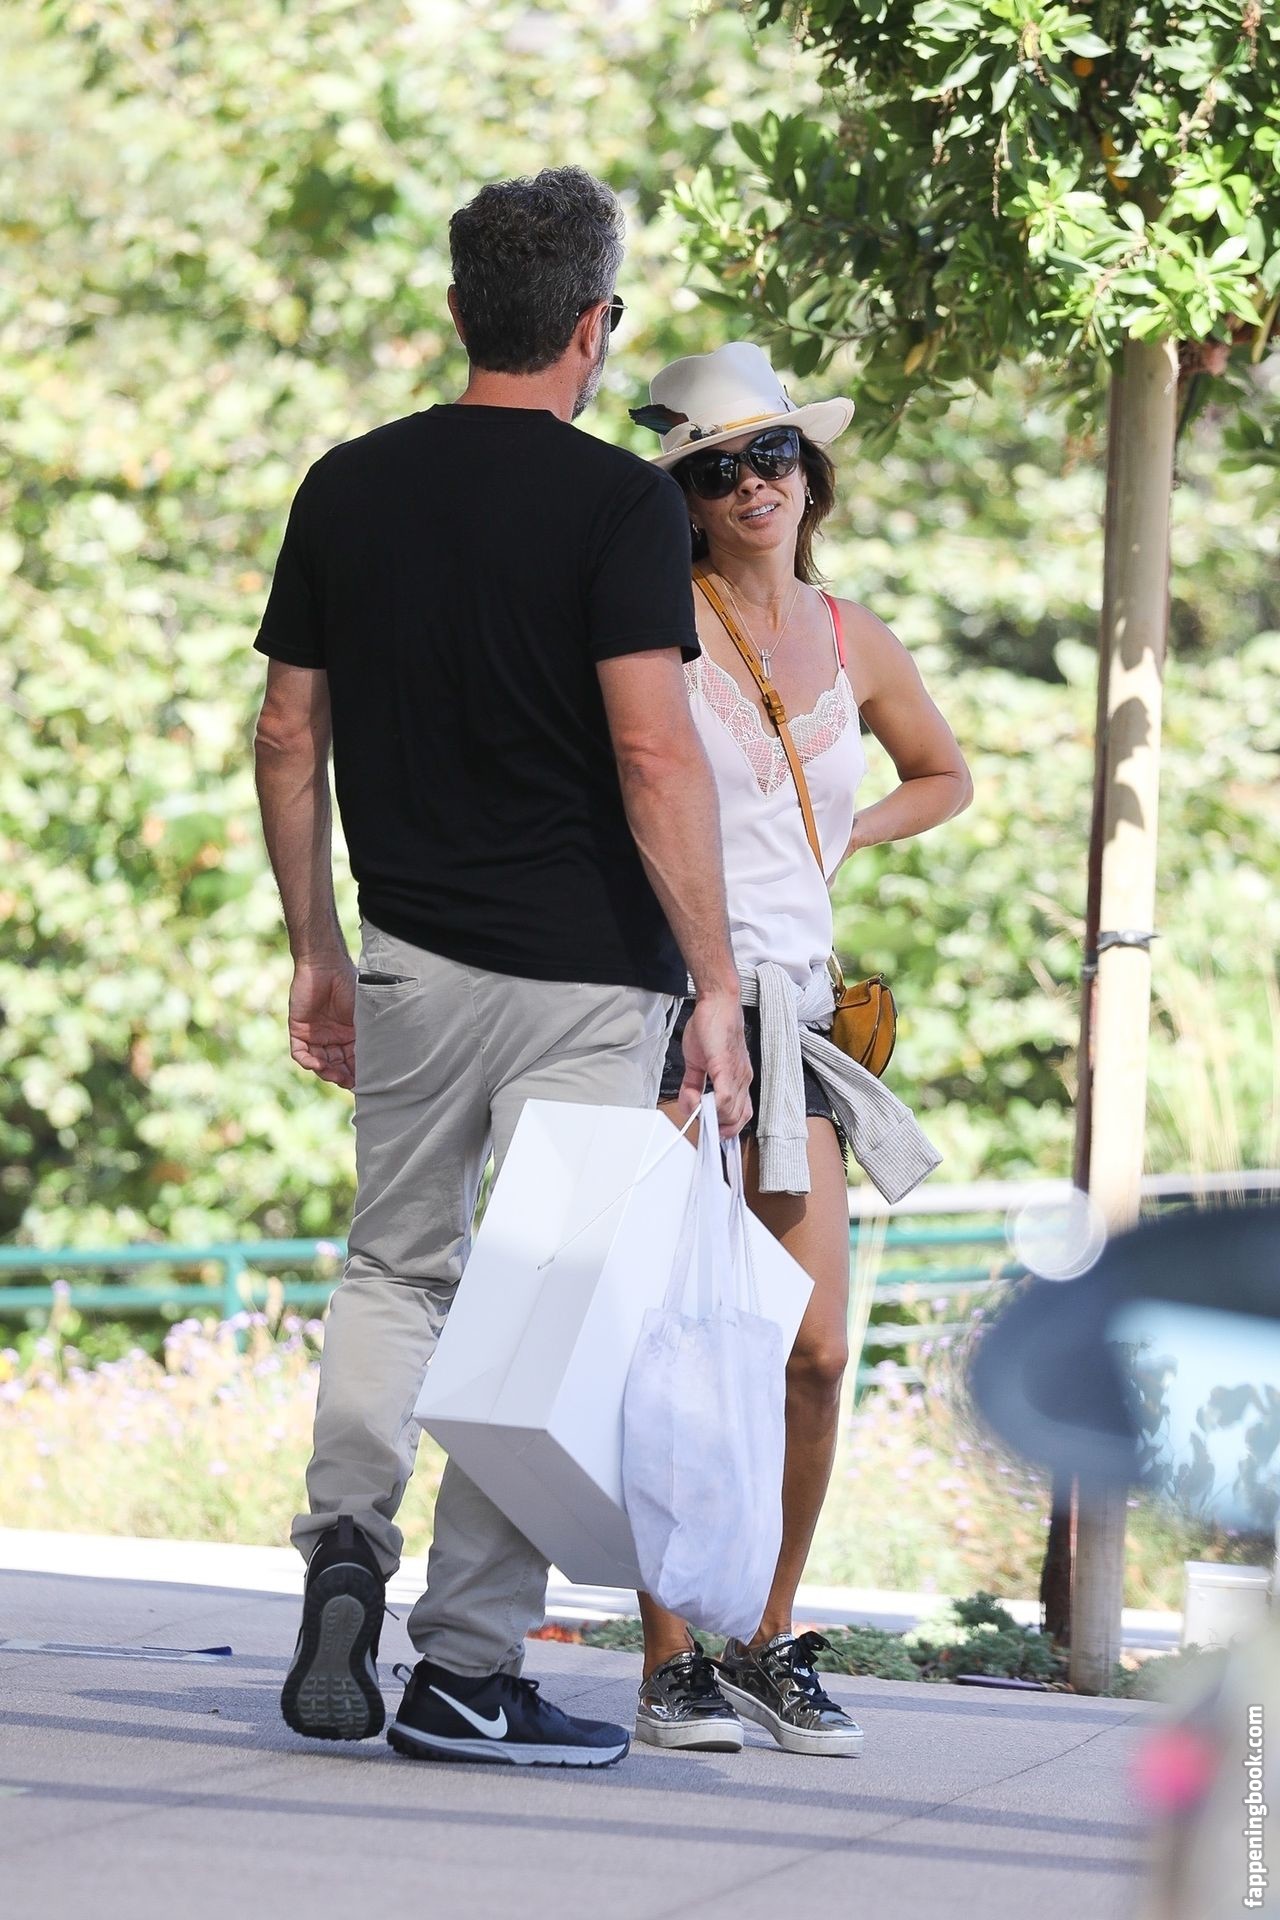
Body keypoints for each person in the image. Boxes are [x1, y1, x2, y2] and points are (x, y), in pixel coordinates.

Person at [252, 168, 751, 1770]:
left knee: (395, 1266)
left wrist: (316, 949)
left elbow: (287, 732)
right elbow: (655, 757)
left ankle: (346, 1542)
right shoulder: (622, 507)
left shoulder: (347, 485)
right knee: (541, 1306)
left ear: (461, 310)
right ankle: (465, 1671)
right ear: (596, 325)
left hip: (409, 952)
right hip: (589, 979)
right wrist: (718, 985)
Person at [627, 342, 972, 1757]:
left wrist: (849, 832)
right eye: (717, 469)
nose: (751, 483)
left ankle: (767, 1637)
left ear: (809, 474)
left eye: (772, 455)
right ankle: (668, 1663)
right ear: (688, 499)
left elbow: (944, 774)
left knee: (816, 1349)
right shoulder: (655, 623)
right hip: (668, 1010)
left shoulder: (853, 634)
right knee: (670, 1342)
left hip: (801, 1021)